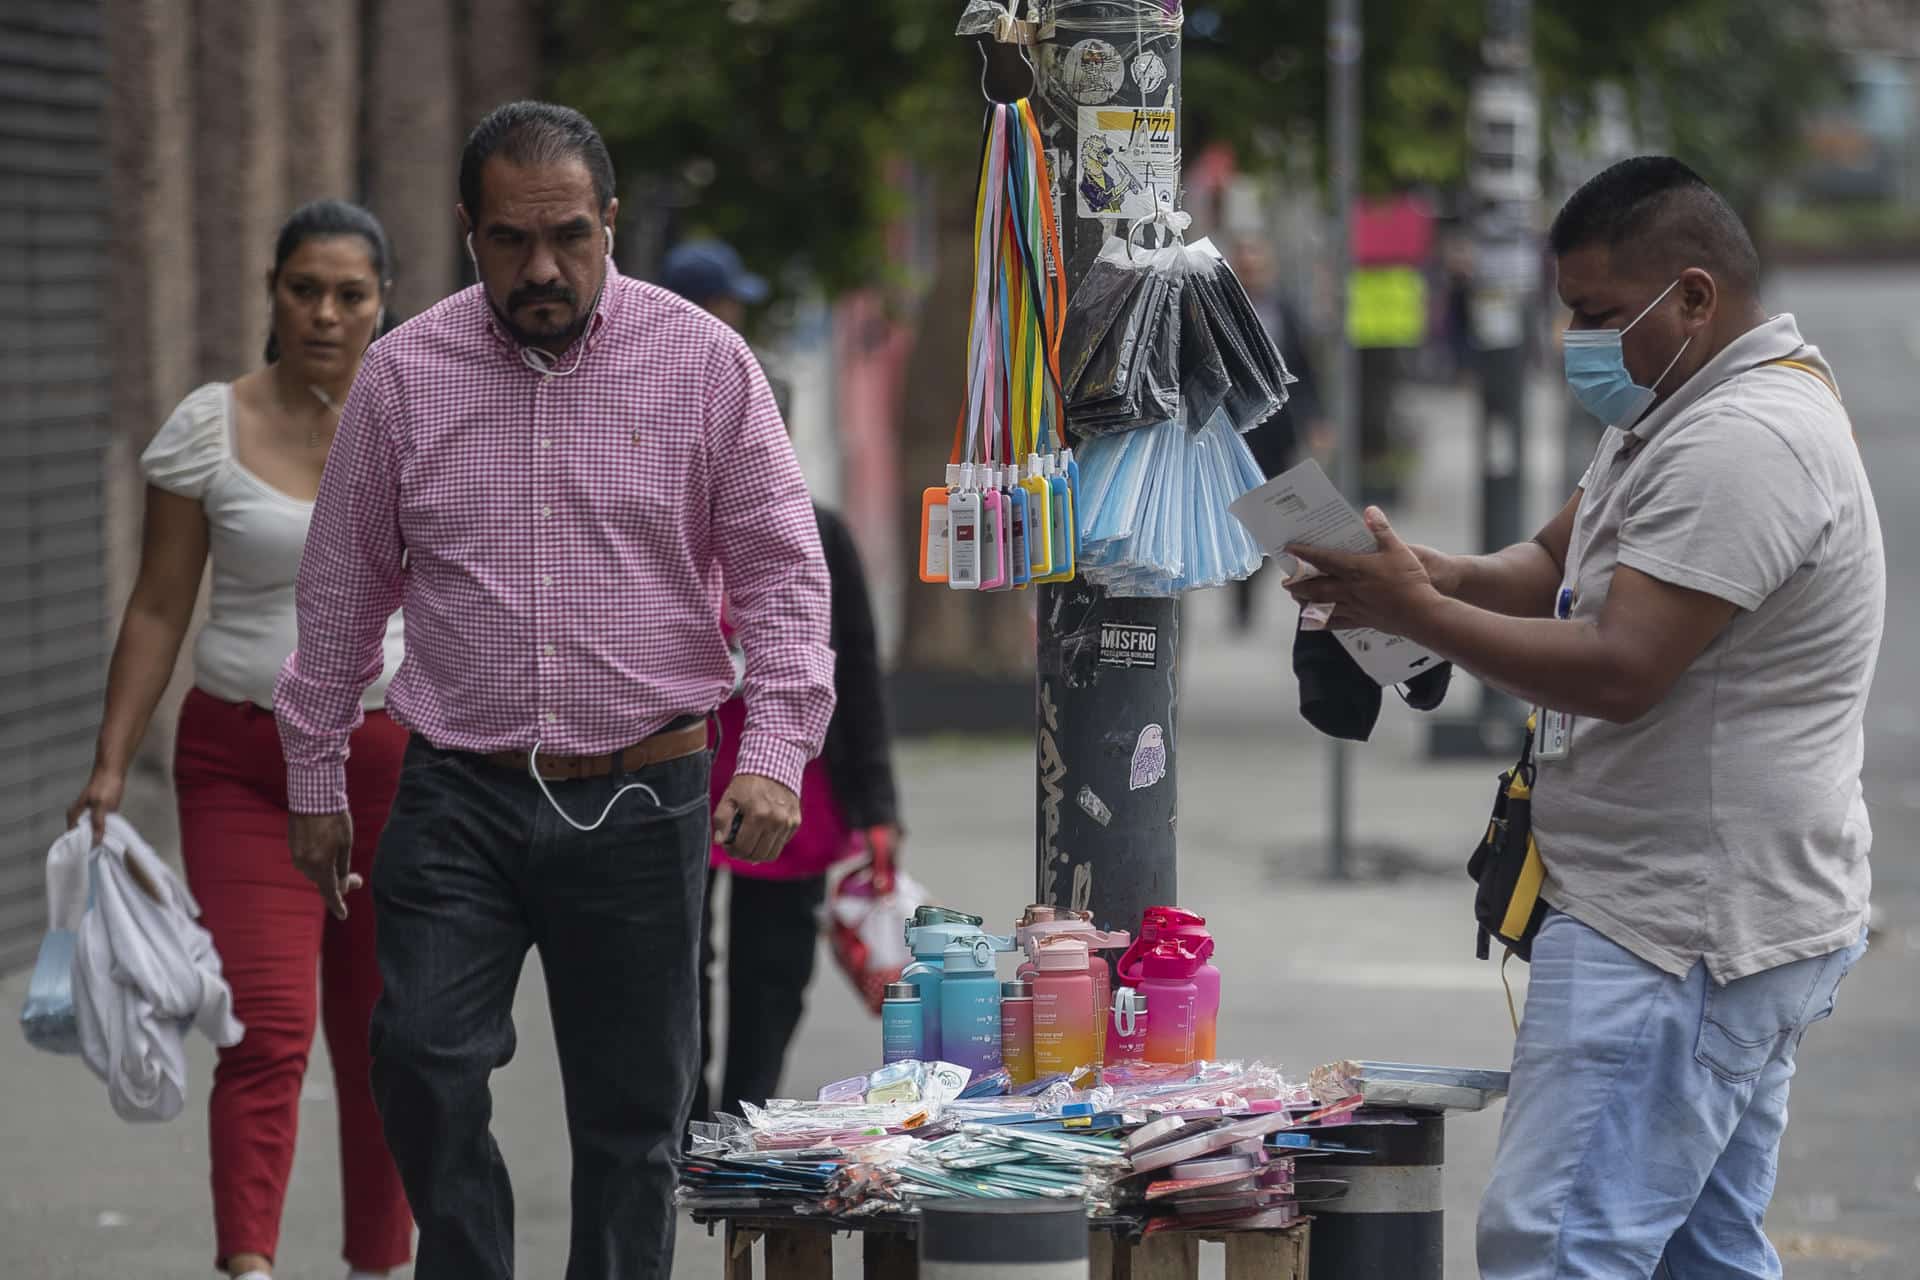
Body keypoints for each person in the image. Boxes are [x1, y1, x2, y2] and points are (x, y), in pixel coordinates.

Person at [1284, 156, 1881, 1278]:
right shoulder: (1675, 408)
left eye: (1599, 314)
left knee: (1558, 1244)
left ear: (1694, 296)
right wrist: (1429, 576)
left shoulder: (1742, 441)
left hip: (1677, 929)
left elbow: (1620, 665)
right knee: (1696, 1251)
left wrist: (1418, 611)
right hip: (1695, 915)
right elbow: (1557, 564)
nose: (1576, 341)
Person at [273, 102, 834, 1280]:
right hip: (457, 789)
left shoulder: (704, 363)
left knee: (636, 1122)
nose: (542, 268)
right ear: (468, 232)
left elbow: (786, 575)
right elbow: (338, 591)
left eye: (570, 236)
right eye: (510, 241)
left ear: (611, 223)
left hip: (646, 790)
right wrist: (314, 769)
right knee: (418, 1056)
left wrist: (776, 750)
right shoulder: (404, 376)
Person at [68, 201, 412, 1280]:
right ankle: (249, 1262)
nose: (325, 312)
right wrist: (111, 762)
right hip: (241, 766)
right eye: (303, 288)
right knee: (263, 1023)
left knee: (388, 1039)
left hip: (393, 766)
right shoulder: (208, 425)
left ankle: (377, 1262)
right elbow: (162, 603)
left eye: (350, 293)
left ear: (382, 304)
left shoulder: (421, 419)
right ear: (271, 292)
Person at [1227, 235, 1323, 633]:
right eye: (1245, 268)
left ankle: (1256, 573)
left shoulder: (1286, 311)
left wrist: (1318, 419)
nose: (1253, 274)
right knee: (1240, 518)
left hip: (1277, 435)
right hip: (1236, 434)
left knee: (1272, 518)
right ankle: (1241, 592)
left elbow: (1304, 369)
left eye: (1258, 266)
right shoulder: (1225, 313)